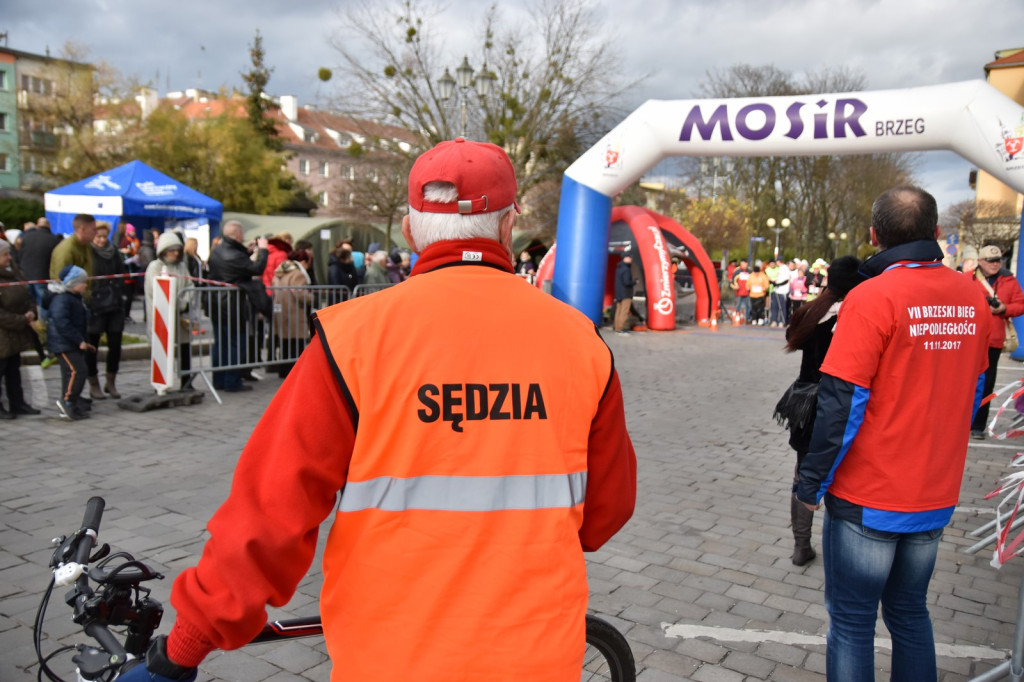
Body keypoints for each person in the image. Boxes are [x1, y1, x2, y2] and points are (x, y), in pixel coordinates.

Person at [122, 138, 637, 682]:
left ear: (411, 231)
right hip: (535, 655)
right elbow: (608, 510)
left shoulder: (351, 339)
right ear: (509, 226)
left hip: (391, 656)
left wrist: (185, 646)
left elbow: (269, 514)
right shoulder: (580, 343)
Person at [796, 186, 990, 681]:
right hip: (935, 491)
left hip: (870, 494)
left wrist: (809, 485)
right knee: (909, 613)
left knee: (853, 622)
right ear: (939, 234)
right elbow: (973, 390)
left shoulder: (872, 296)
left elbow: (842, 404)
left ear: (874, 235)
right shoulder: (971, 295)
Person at [775, 256, 863, 566]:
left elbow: (791, 340)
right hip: (841, 404)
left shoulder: (813, 312)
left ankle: (801, 546)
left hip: (805, 406)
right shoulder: (855, 316)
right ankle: (843, 549)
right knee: (844, 477)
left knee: (804, 474)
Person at [969, 245, 1024, 439]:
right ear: (980, 262)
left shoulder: (1009, 280)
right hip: (969, 338)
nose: (995, 264)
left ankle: (978, 425)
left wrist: (1004, 308)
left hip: (993, 339)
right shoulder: (968, 278)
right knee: (965, 381)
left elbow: (1021, 304)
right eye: (990, 261)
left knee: (987, 383)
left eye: (998, 260)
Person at [208, 221, 268, 393]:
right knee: (235, 343)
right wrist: (263, 250)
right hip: (232, 306)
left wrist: (246, 251)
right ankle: (232, 381)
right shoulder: (232, 254)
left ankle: (219, 379)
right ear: (237, 234)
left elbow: (238, 263)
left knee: (221, 343)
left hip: (218, 303)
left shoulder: (219, 250)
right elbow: (256, 268)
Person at [146, 232, 196, 390]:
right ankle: (161, 383)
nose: (175, 253)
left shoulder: (181, 267)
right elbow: (155, 290)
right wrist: (171, 302)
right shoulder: (155, 267)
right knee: (161, 348)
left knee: (185, 347)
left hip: (180, 316)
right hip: (161, 316)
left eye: (177, 250)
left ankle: (186, 382)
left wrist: (184, 302)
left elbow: (190, 286)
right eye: (171, 250)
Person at [0, 239, 42, 419]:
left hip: (16, 331)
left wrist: (31, 311)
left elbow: (27, 292)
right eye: (5, 254)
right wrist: (20, 319)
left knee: (13, 370)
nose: (9, 257)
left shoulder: (14, 271)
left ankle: (18, 403)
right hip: (3, 331)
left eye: (9, 253)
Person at [47, 265, 95, 421]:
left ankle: (72, 401)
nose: (85, 285)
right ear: (72, 283)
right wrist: (79, 340)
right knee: (77, 371)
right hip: (64, 343)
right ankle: (67, 401)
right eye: (82, 282)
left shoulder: (73, 297)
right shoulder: (62, 299)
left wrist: (84, 341)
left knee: (72, 372)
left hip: (69, 342)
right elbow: (62, 323)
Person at [85, 222, 127, 400]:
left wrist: (118, 291)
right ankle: (93, 383)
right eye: (98, 237)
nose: (102, 240)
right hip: (95, 305)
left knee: (115, 344)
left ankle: (111, 382)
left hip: (114, 304)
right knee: (92, 345)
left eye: (104, 236)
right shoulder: (88, 253)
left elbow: (122, 274)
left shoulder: (114, 252)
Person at [271, 249, 313, 378]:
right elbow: (300, 294)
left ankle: (283, 370)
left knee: (284, 344)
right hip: (294, 311)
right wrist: (312, 297)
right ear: (303, 261)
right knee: (296, 344)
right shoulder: (297, 274)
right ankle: (295, 372)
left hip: (281, 310)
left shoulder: (280, 272)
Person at [17, 214, 62, 318]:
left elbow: (19, 255)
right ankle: (42, 326)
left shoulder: (26, 237)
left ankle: (29, 322)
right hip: (42, 276)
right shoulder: (54, 240)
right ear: (49, 227)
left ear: (37, 226)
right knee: (43, 303)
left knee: (27, 303)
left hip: (25, 275)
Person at [49, 214, 97, 299]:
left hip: (82, 298)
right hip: (68, 299)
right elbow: (60, 280)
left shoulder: (87, 246)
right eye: (93, 229)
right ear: (82, 229)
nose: (96, 232)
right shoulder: (66, 249)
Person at [613, 251, 636, 333]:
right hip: (626, 293)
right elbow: (626, 282)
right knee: (624, 312)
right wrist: (634, 282)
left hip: (619, 293)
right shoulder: (626, 269)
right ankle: (621, 328)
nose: (631, 259)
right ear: (625, 258)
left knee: (618, 311)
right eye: (630, 257)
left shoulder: (619, 267)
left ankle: (616, 327)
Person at [771, 259, 792, 327]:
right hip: (777, 290)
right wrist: (774, 282)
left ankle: (781, 321)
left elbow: (786, 280)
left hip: (783, 291)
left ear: (779, 261)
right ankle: (774, 320)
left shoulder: (785, 268)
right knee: (774, 307)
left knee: (782, 307)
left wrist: (779, 284)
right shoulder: (779, 268)